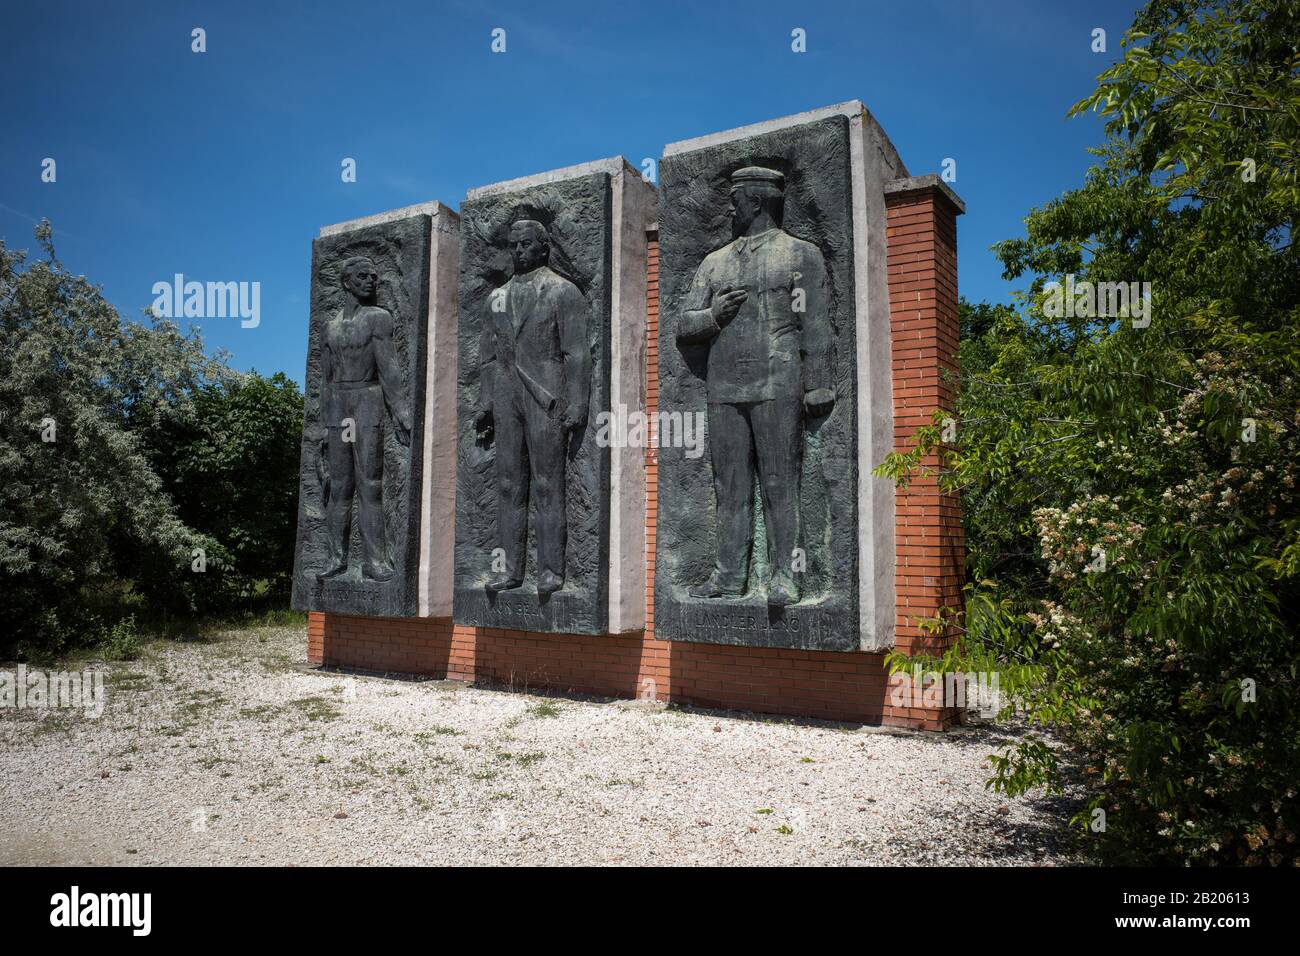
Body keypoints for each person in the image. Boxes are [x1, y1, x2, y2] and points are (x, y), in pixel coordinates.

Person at [677, 167, 835, 606]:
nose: (730, 208)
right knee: (730, 487)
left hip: (777, 383)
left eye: (736, 200)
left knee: (781, 485)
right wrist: (712, 316)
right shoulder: (715, 262)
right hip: (724, 386)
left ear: (758, 202)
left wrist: (817, 383)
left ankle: (787, 577)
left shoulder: (800, 254)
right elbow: (683, 325)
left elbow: (816, 325)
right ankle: (728, 576)